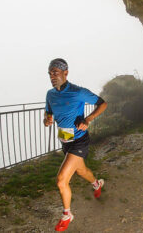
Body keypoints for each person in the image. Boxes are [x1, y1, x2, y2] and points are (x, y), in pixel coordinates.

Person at [43, 58, 107, 231]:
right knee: (81, 170)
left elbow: (103, 103)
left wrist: (88, 119)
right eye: (50, 73)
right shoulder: (50, 94)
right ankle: (96, 184)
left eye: (55, 72)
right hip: (65, 140)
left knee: (61, 179)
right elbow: (48, 113)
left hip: (79, 140)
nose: (52, 76)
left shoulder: (78, 92)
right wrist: (47, 120)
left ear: (66, 72)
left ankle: (67, 214)